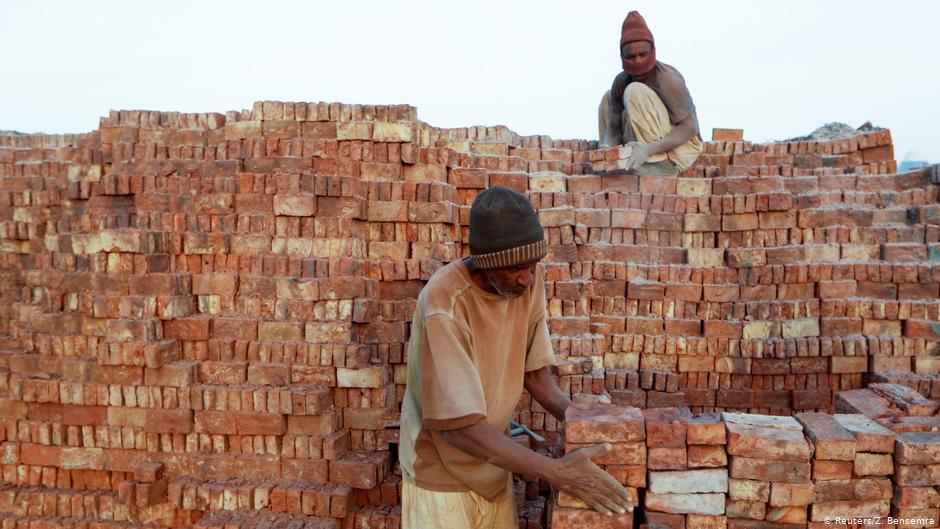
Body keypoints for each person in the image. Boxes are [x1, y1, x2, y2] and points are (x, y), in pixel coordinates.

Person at [398, 186, 633, 529]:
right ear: (486, 265)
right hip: (440, 477)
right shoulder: (446, 302)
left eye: (533, 266)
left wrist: (582, 421)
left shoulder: (527, 283)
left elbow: (535, 375)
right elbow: (459, 429)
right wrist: (557, 473)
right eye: (515, 269)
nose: (527, 278)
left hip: (494, 466)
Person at [598, 10, 703, 175]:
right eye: (631, 56)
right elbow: (613, 127)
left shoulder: (668, 79)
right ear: (622, 56)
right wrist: (607, 151)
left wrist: (648, 150)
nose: (638, 60)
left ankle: (662, 164)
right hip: (643, 147)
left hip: (679, 150)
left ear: (652, 51)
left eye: (643, 54)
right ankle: (621, 160)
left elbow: (690, 128)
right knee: (608, 97)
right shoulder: (621, 81)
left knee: (634, 91)